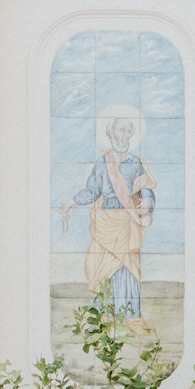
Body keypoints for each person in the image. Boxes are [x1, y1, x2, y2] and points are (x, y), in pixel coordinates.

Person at [70, 114, 156, 331]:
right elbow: (91, 191)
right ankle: (103, 317)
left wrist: (147, 201)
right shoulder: (102, 164)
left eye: (129, 131)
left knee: (127, 269)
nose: (124, 136)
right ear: (110, 132)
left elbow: (146, 190)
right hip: (105, 223)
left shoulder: (136, 163)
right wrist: (72, 201)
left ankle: (132, 319)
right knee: (102, 268)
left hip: (127, 224)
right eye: (121, 130)